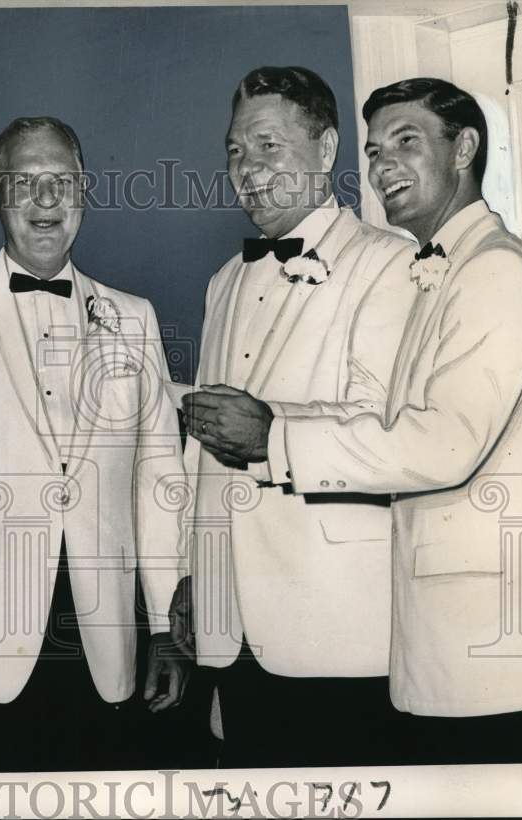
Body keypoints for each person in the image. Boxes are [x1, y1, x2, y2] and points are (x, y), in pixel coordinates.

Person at [188, 77, 522, 763]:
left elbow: (437, 441)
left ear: (464, 148)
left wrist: (273, 436)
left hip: (484, 651)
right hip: (435, 653)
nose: (383, 167)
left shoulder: (485, 270)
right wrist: (197, 573)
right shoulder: (443, 267)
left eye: (406, 143)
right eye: (376, 150)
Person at [0, 116, 188, 772]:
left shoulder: (133, 316)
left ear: (83, 191)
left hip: (107, 645)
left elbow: (159, 478)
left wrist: (167, 625)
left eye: (61, 181)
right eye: (25, 182)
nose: (45, 199)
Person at [177, 66, 417, 767]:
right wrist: (197, 573)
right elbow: (206, 454)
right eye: (234, 150)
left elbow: (391, 433)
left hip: (339, 626)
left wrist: (271, 431)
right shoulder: (223, 281)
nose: (247, 168)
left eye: (267, 146)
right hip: (233, 630)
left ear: (326, 148)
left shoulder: (387, 263)